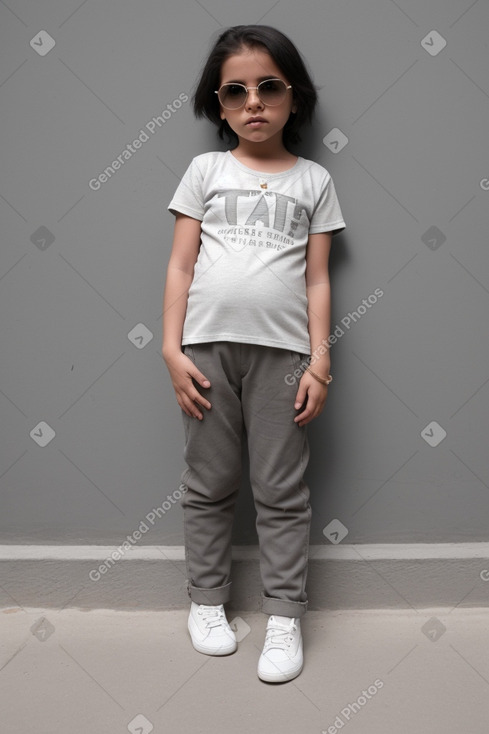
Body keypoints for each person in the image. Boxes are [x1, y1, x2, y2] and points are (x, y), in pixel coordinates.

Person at [162, 24, 345, 683]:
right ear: (217, 104)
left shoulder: (313, 180)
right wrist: (169, 349)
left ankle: (285, 617)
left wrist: (320, 361)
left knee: (281, 491)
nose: (254, 102)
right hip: (205, 354)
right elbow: (181, 268)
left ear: (293, 96)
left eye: (268, 86)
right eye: (235, 91)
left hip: (285, 358)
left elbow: (319, 278)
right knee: (208, 485)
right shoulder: (204, 171)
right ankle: (206, 603)